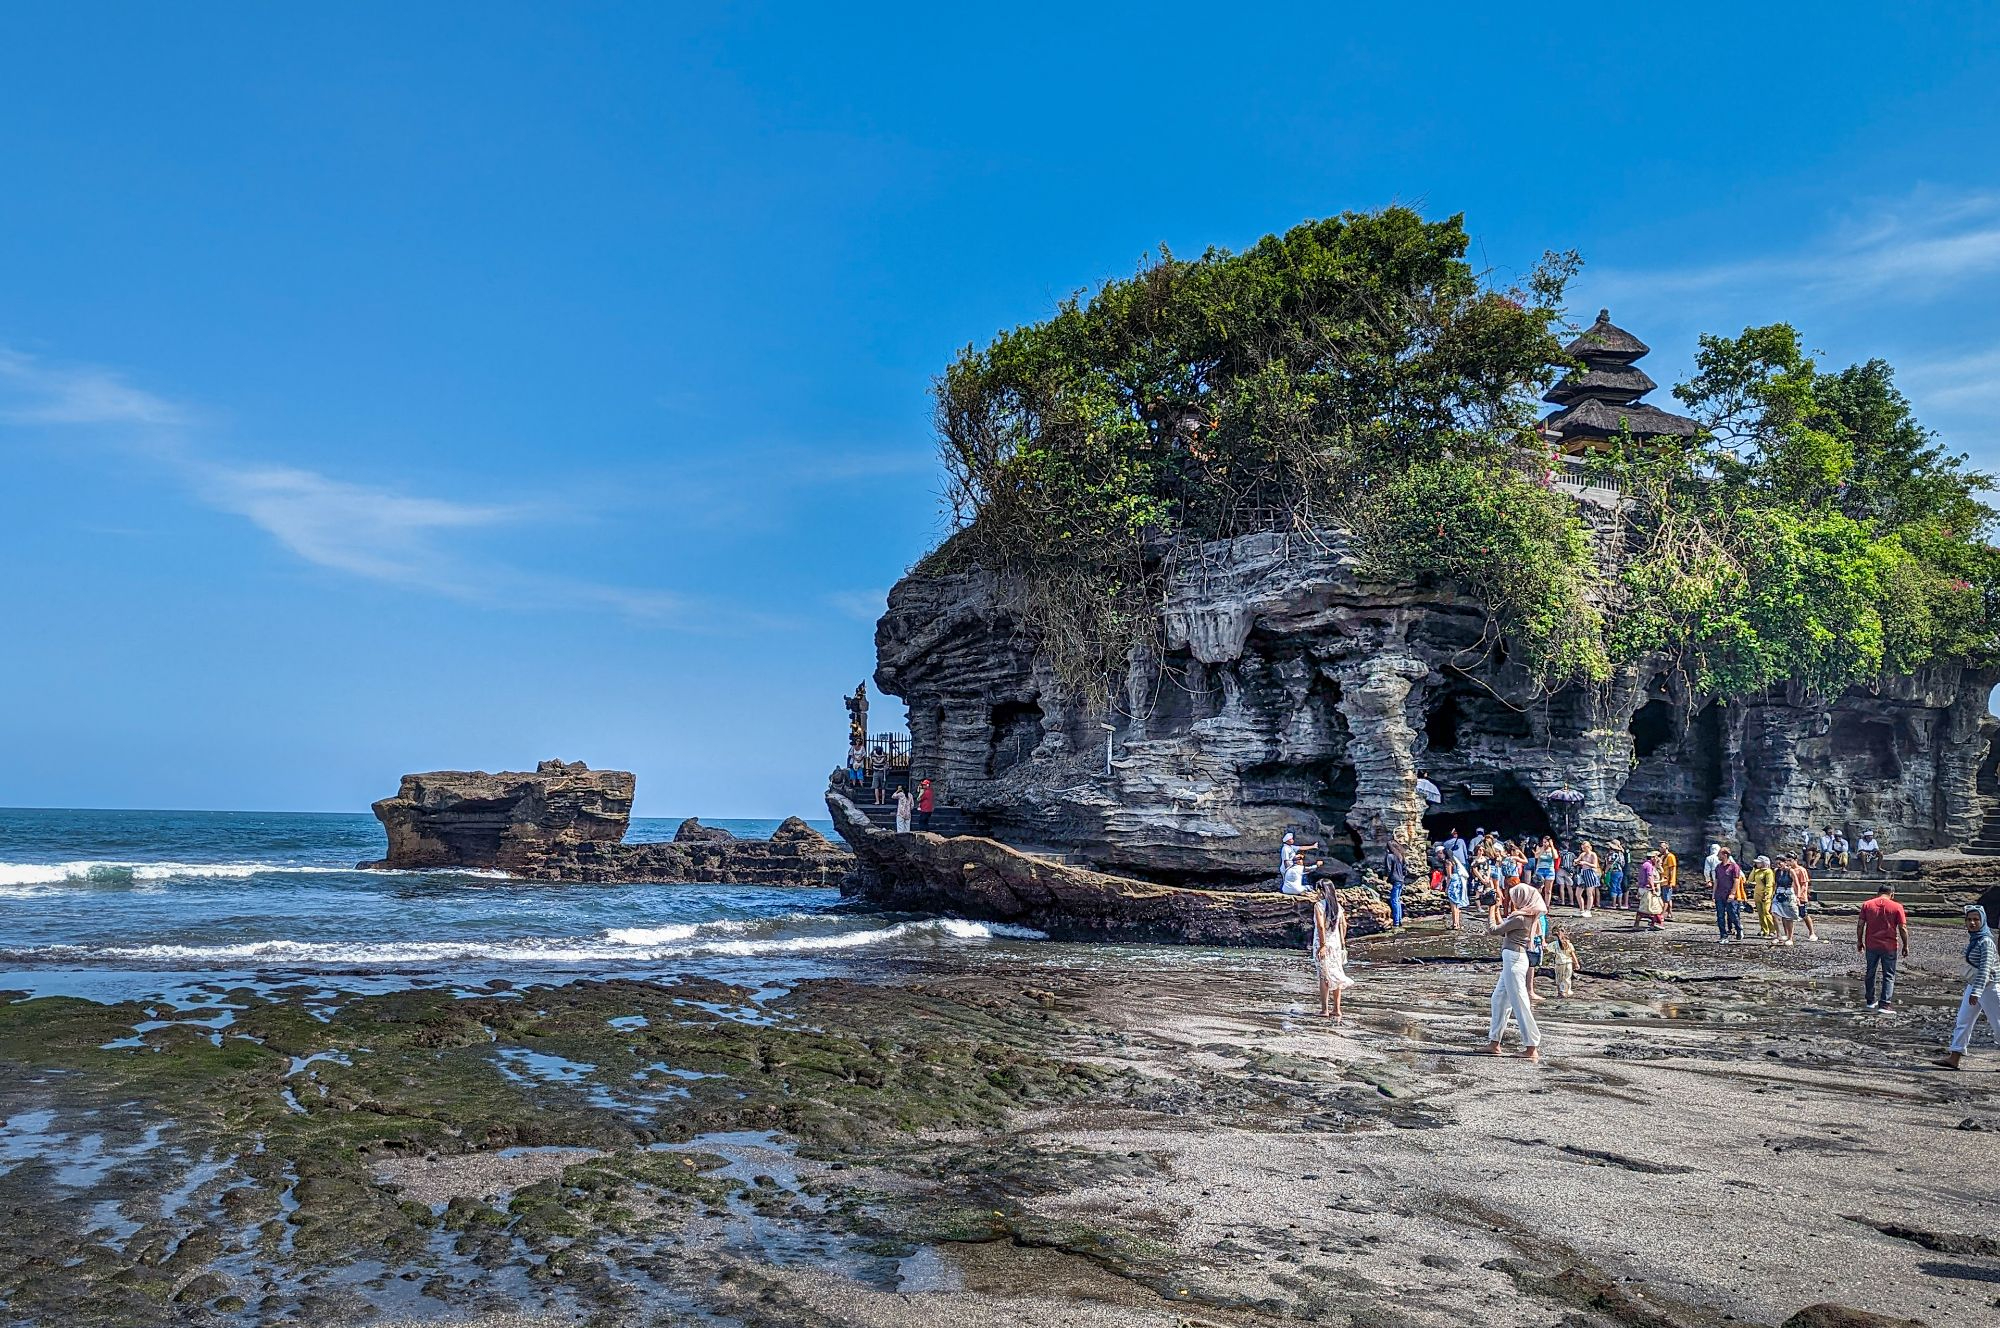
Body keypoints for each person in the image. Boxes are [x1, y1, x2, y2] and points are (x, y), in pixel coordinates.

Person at [1485, 884, 1545, 1061]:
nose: (1513, 900)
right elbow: (1505, 927)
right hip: (1513, 960)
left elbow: (1494, 930)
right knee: (1499, 999)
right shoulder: (1527, 916)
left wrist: (1491, 908)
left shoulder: (1521, 918)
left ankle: (1531, 1047)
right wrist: (1496, 909)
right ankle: (1494, 1042)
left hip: (1514, 961)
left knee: (1520, 1003)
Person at [1939, 906, 2000, 1070]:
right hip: (1975, 986)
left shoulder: (1986, 941)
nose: (1972, 923)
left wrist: (1976, 992)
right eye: (1969, 919)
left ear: (1983, 921)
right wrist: (1974, 989)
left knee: (1998, 1023)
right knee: (1963, 1020)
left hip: (1990, 987)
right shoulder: (1976, 939)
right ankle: (1955, 1056)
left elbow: (1986, 969)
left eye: (1976, 919)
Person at [1857, 883, 1910, 1011]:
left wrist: (1859, 941)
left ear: (1878, 893)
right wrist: (1905, 945)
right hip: (1889, 945)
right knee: (1889, 974)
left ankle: (1870, 1000)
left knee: (1870, 972)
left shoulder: (1867, 905)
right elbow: (1902, 928)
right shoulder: (1897, 906)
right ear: (1892, 894)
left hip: (1871, 944)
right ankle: (1885, 1003)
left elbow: (1860, 925)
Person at [1312, 877, 1356, 1019]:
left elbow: (1320, 926)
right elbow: (1343, 925)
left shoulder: (1319, 906)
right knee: (1336, 974)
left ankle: (1324, 1009)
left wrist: (1323, 945)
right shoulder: (1338, 907)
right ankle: (1336, 1009)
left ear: (1322, 891)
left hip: (1322, 943)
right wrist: (1342, 942)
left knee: (1324, 976)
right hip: (1336, 944)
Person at [1711, 847, 1744, 942]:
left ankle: (1738, 928)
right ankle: (1723, 936)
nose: (1717, 856)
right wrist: (1714, 893)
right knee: (1720, 916)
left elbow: (1736, 881)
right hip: (1719, 894)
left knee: (1732, 914)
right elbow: (1716, 881)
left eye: (1719, 854)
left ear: (1725, 855)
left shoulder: (1734, 867)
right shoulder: (1718, 867)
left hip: (1730, 895)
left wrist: (1732, 893)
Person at [1771, 855, 1801, 945]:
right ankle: (1778, 935)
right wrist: (1773, 894)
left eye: (1780, 863)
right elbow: (1775, 884)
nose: (1778, 865)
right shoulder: (1776, 871)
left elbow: (1796, 884)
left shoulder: (1790, 871)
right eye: (1777, 864)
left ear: (1785, 863)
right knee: (1774, 913)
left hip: (1788, 893)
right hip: (1779, 893)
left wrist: (1798, 897)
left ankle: (1790, 938)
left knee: (1788, 916)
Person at [1634, 851, 1665, 931]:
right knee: (1654, 907)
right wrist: (1653, 889)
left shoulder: (1644, 865)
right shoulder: (1649, 866)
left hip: (1643, 888)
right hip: (1647, 889)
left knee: (1646, 907)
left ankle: (1649, 923)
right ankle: (1657, 923)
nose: (1657, 858)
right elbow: (1649, 878)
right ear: (1653, 857)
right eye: (1656, 857)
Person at [1748, 855, 1778, 938]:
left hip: (1765, 895)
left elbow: (1769, 884)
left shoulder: (1768, 872)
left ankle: (1772, 929)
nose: (1757, 864)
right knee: (1760, 913)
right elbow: (1750, 880)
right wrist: (1754, 869)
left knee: (1766, 912)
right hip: (1757, 894)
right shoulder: (1757, 871)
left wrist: (1767, 894)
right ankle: (1764, 929)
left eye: (1758, 863)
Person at [1793, 856, 1822, 942]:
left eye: (1790, 860)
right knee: (1789, 915)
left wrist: (1799, 895)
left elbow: (1804, 885)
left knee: (1804, 914)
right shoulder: (1789, 870)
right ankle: (1789, 934)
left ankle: (1812, 932)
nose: (1788, 862)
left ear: (1795, 860)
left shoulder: (1801, 870)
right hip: (1790, 894)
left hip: (1800, 896)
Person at [1384, 835, 1408, 929]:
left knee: (1394, 900)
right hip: (1401, 880)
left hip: (1394, 880)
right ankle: (1399, 920)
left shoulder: (1390, 856)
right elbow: (1405, 870)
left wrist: (1384, 880)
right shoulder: (1401, 856)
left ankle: (1396, 922)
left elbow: (1388, 870)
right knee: (1397, 900)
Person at [1550, 925, 1579, 998]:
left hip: (1559, 963)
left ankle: (1560, 992)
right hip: (1568, 963)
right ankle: (1567, 991)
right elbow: (1573, 954)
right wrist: (1576, 963)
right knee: (1567, 978)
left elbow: (1547, 950)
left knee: (1559, 978)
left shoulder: (1554, 944)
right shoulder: (1569, 944)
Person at [1574, 840, 1601, 917]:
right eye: (1582, 848)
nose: (1583, 849)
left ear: (1589, 847)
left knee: (1589, 893)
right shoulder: (1582, 854)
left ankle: (1588, 911)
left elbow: (1595, 865)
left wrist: (1585, 863)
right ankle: (1581, 910)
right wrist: (1576, 862)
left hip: (1590, 873)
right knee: (1578, 893)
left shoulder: (1593, 855)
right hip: (1583, 873)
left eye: (1585, 848)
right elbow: (1577, 860)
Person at [1444, 852, 1470, 929]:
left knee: (1453, 904)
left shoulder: (1448, 862)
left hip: (1453, 883)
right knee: (1457, 904)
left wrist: (1446, 887)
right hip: (1459, 882)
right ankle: (1457, 923)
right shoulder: (1455, 862)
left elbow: (1449, 876)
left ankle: (1455, 924)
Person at [1658, 841, 1679, 919]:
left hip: (1667, 881)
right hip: (1662, 880)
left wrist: (1671, 881)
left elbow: (1672, 870)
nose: (1660, 848)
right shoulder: (1662, 856)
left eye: (1661, 847)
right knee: (1668, 897)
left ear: (1666, 847)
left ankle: (1662, 915)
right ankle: (1670, 913)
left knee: (1665, 899)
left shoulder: (1670, 856)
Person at [1604, 839, 1627, 910]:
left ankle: (1614, 904)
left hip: (1614, 872)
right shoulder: (1621, 854)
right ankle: (1619, 904)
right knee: (1618, 887)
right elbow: (1623, 864)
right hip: (1620, 872)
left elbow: (1609, 863)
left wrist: (1605, 871)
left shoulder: (1612, 854)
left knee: (1613, 887)